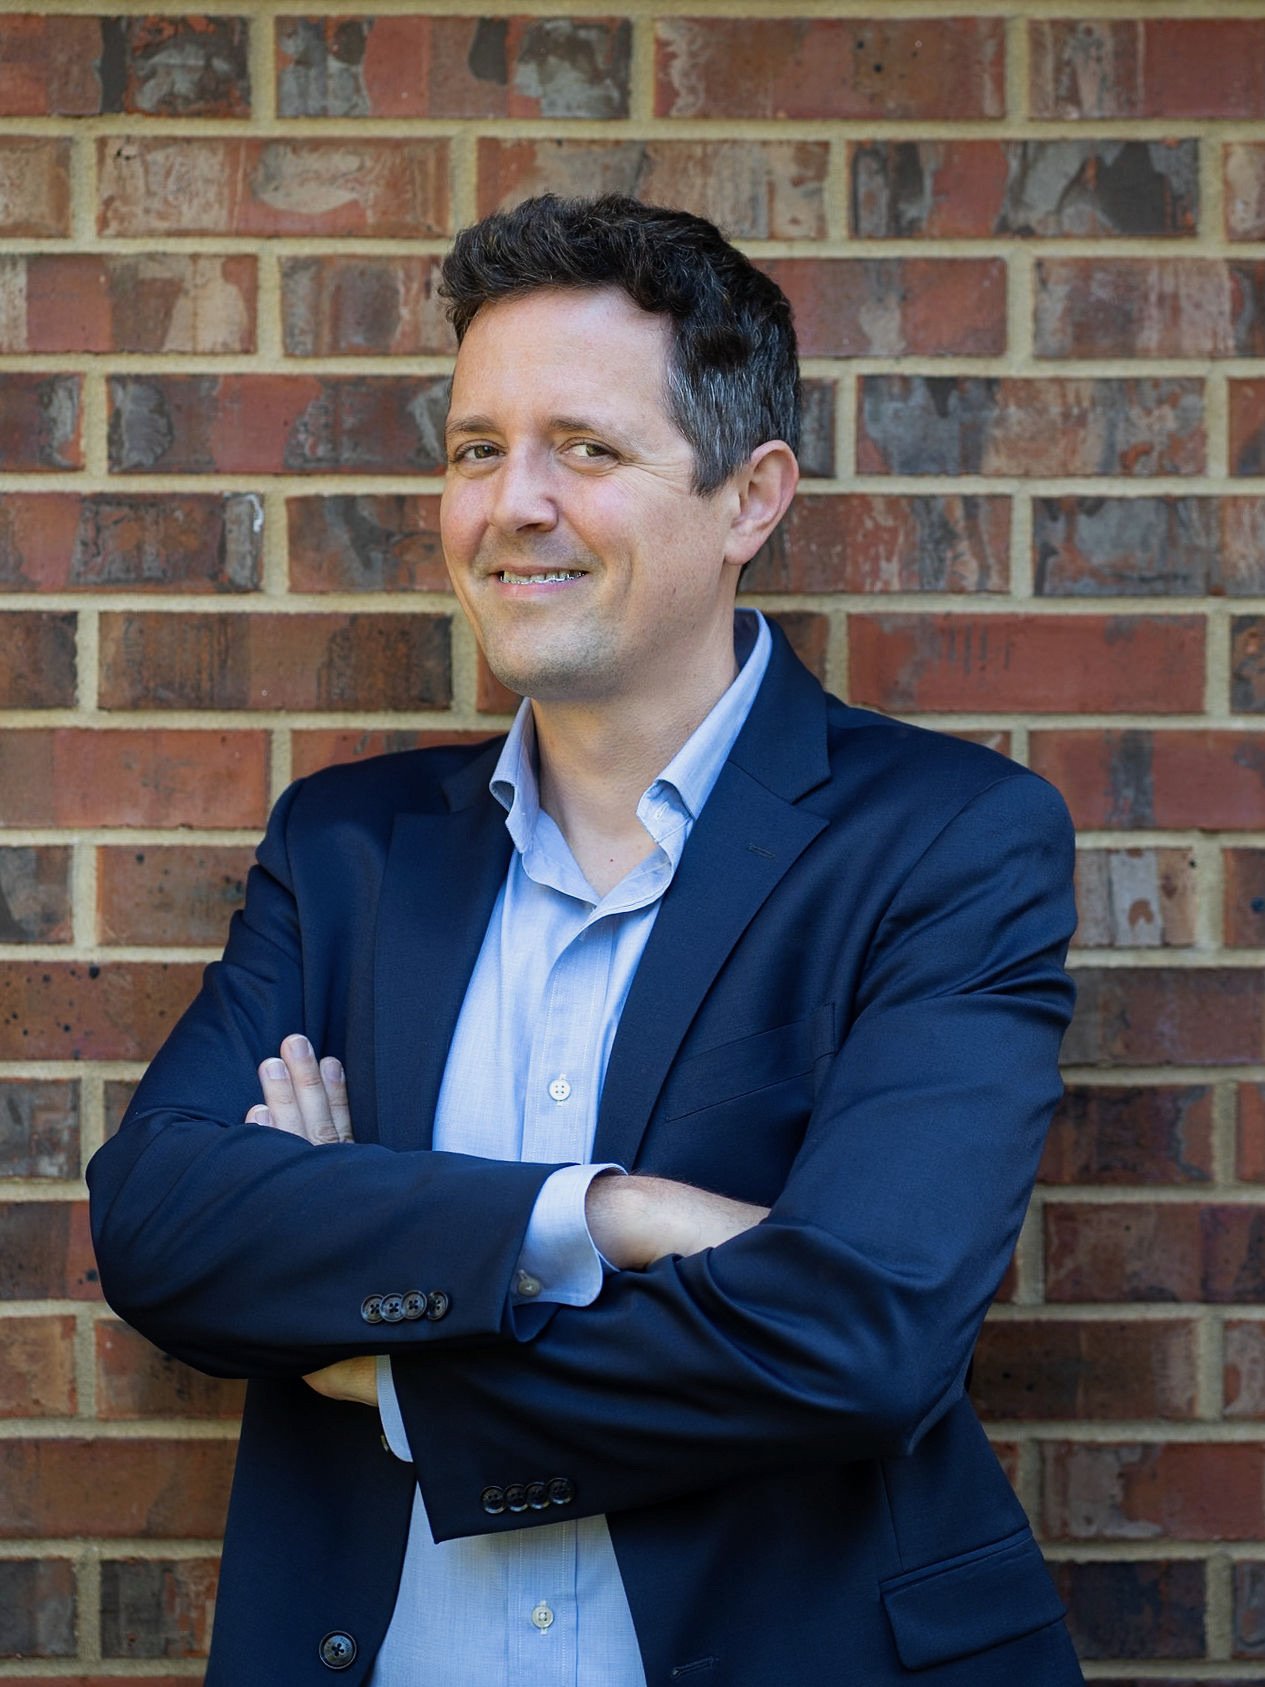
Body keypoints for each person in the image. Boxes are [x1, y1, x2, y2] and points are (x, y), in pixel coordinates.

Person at [87, 194, 1085, 1686]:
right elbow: (162, 1228)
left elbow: (863, 1343)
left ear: (750, 498)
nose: (512, 505)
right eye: (478, 450)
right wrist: (601, 1217)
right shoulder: (348, 853)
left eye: (587, 450)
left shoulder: (944, 841)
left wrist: (382, 1341)